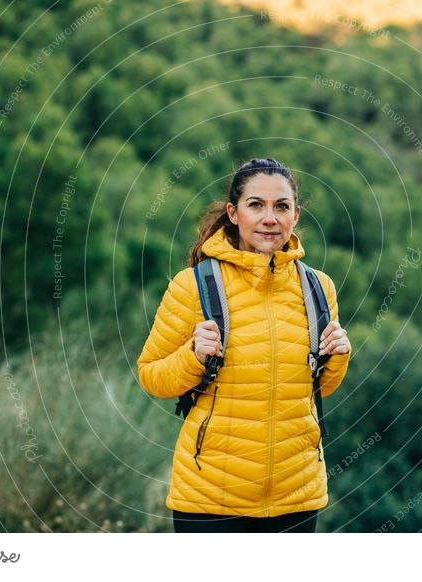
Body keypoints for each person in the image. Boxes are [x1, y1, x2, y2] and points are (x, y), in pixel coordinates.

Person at [137, 158, 352, 533]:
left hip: (296, 498)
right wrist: (193, 356)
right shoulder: (193, 285)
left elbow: (317, 389)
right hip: (210, 500)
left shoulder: (318, 288)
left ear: (295, 215)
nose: (270, 218)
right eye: (256, 205)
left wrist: (338, 357)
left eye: (281, 206)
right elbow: (151, 376)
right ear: (234, 214)